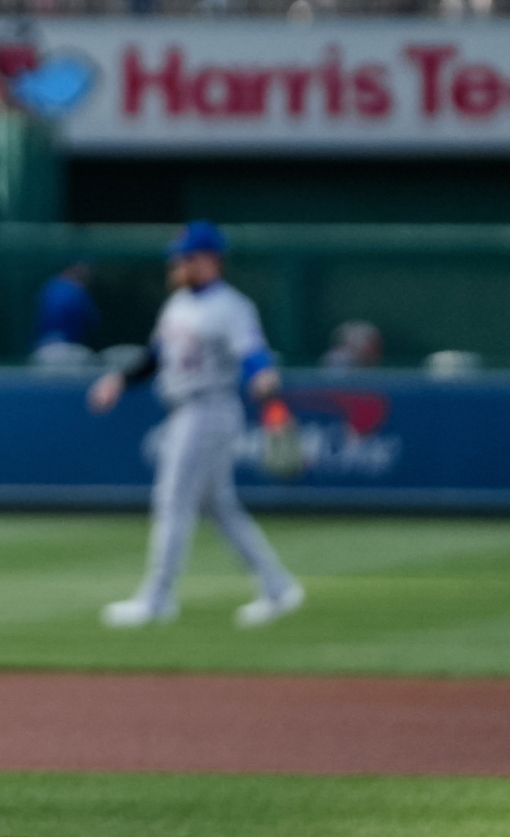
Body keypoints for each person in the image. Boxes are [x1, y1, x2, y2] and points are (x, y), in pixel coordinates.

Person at [87, 221, 305, 630]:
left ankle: (157, 599)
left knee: (172, 502)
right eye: (177, 256)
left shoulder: (231, 305)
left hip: (209, 407)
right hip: (185, 408)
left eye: (185, 256)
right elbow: (155, 355)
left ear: (210, 260)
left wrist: (262, 376)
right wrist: (119, 379)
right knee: (219, 506)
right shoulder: (178, 303)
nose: (177, 263)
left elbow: (253, 351)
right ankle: (277, 586)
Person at [30, 260, 98, 366]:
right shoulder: (76, 290)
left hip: (43, 351)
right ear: (71, 269)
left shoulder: (49, 286)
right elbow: (92, 323)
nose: (87, 273)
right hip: (69, 351)